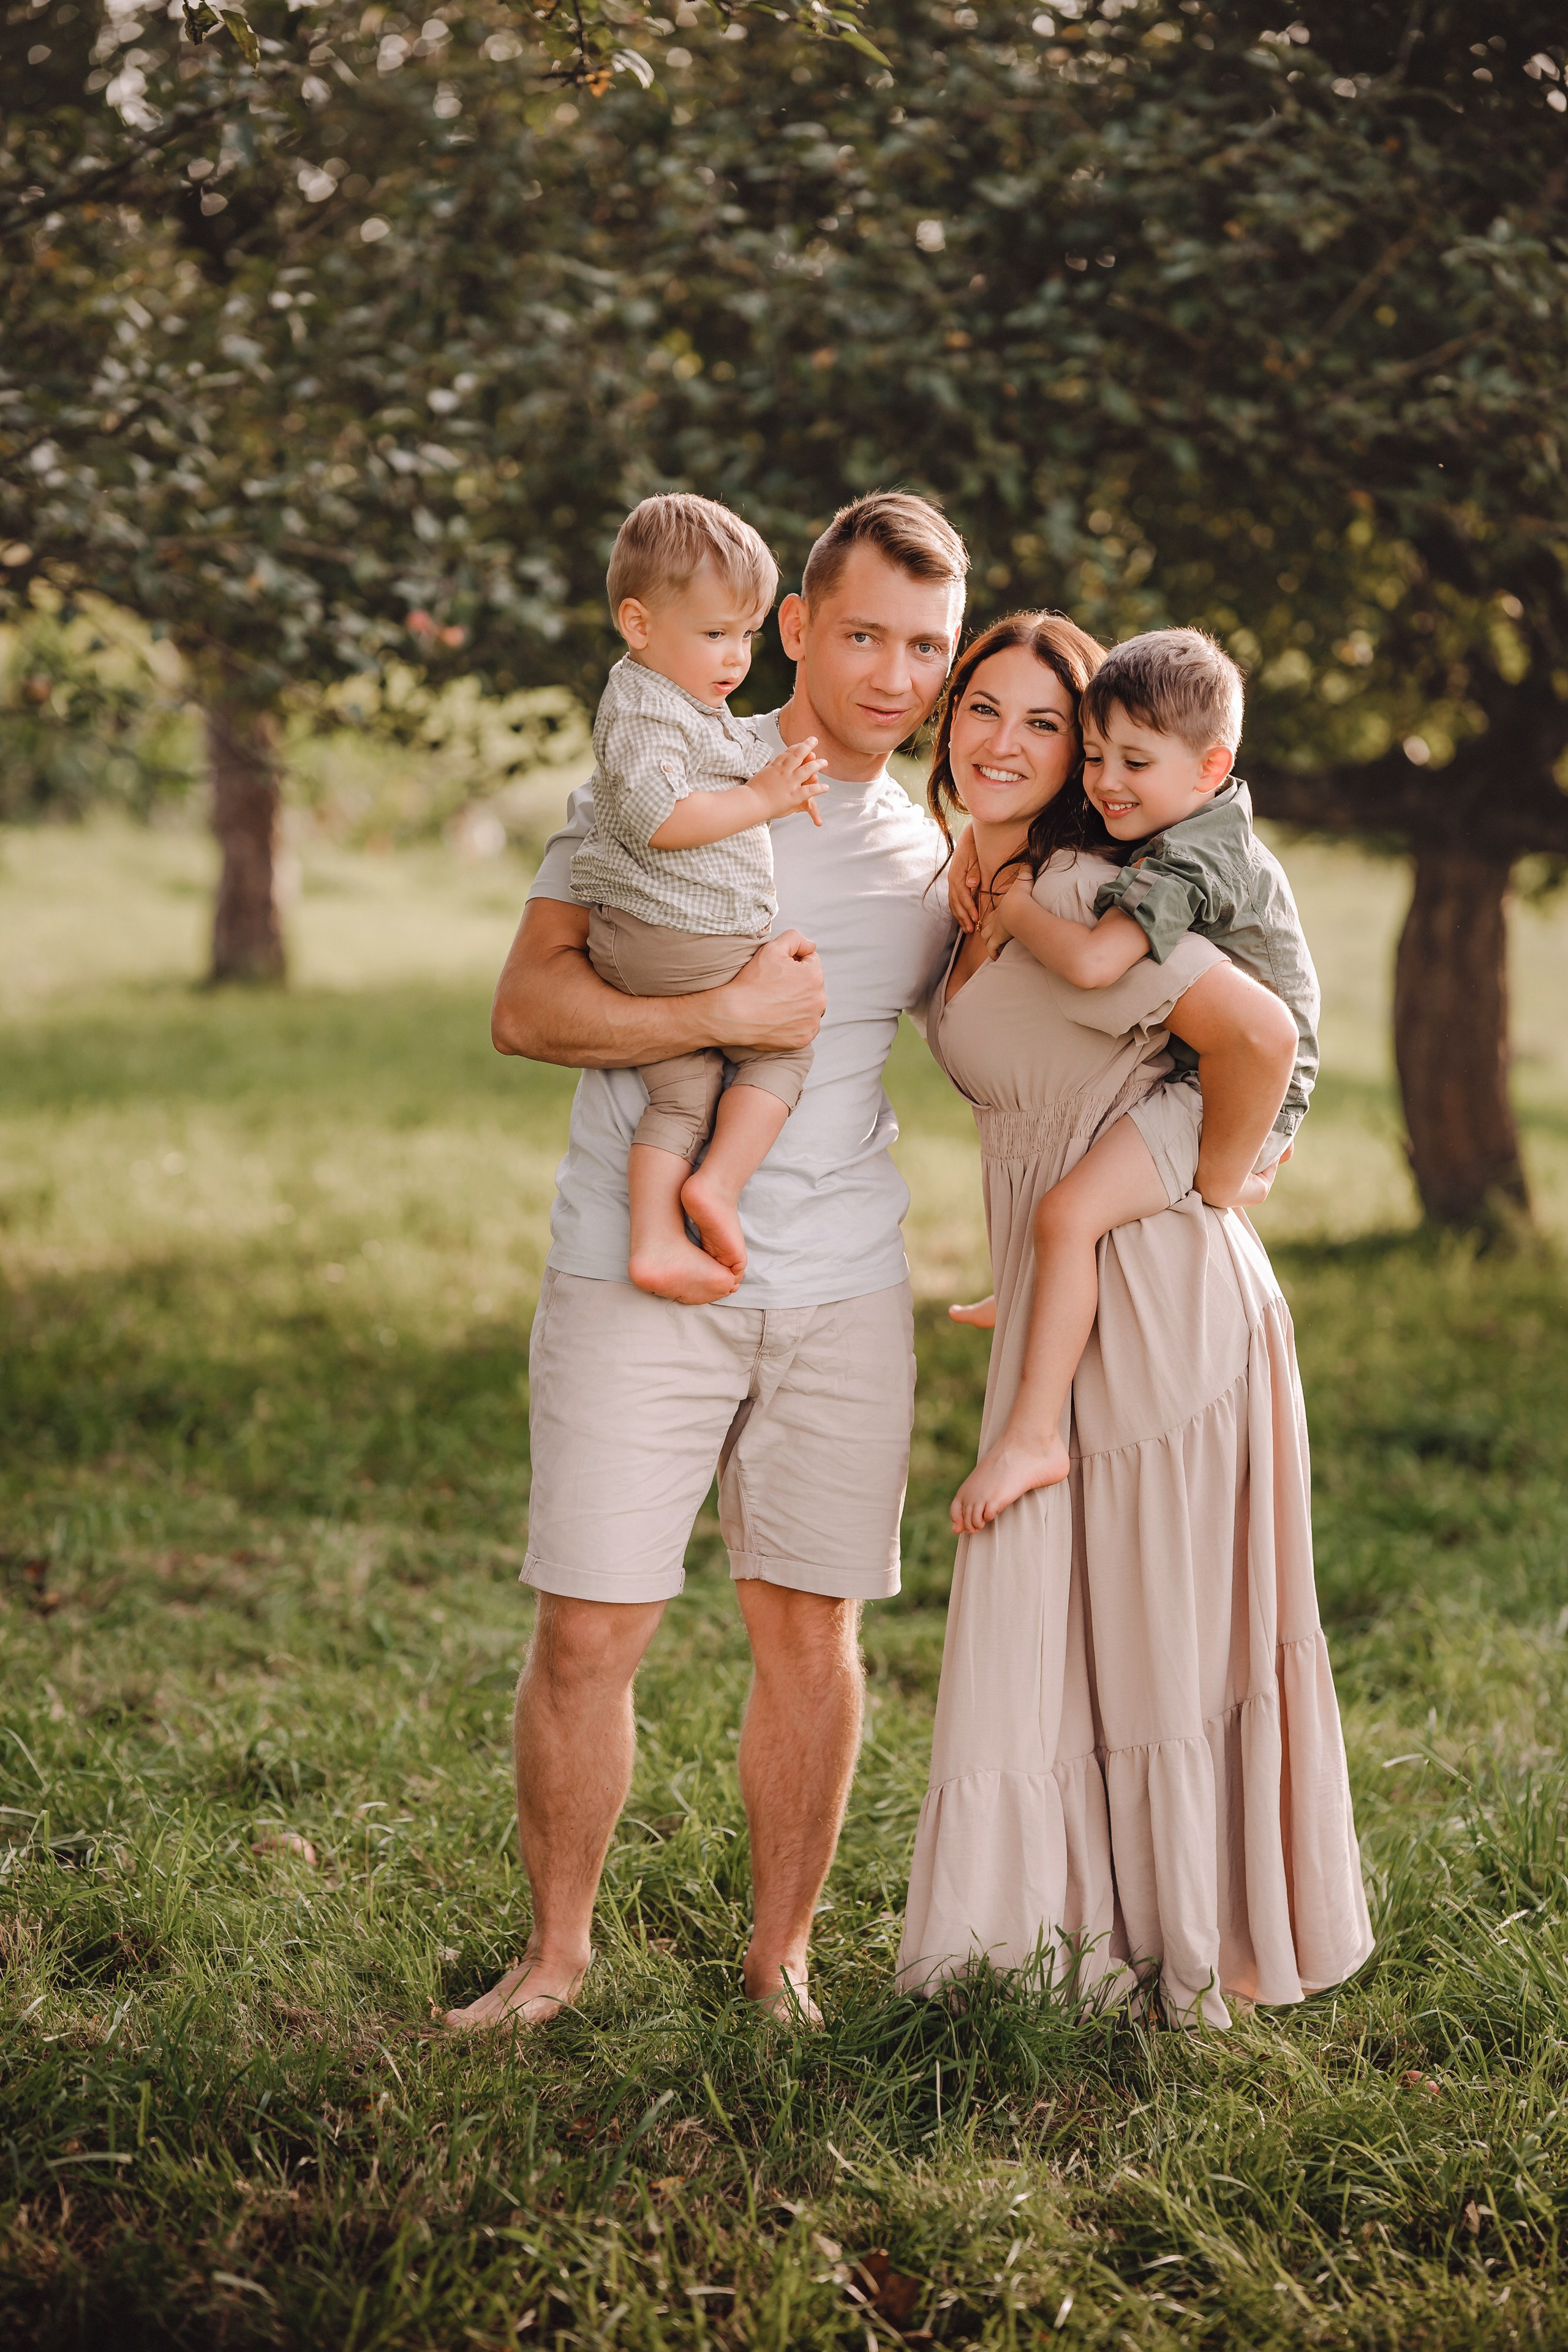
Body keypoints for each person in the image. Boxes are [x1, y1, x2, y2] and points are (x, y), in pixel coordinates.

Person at [445, 492, 965, 2034]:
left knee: (810, 1627)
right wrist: (720, 1019)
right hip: (632, 1265)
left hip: (842, 1287)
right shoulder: (656, 777)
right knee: (588, 1626)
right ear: (793, 627)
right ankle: (552, 1960)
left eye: (925, 646)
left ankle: (779, 1959)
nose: (892, 672)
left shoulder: (935, 854)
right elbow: (527, 1010)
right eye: (861, 632)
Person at [898, 611, 1372, 2026]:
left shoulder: (1102, 888)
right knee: (1095, 1636)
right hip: (1083, 1278)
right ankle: (1075, 1955)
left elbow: (1266, 1037)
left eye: (1046, 730)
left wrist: (1225, 1171)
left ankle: (1202, 1957)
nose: (1015, 746)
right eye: (987, 708)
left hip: (1156, 1289)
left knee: (1167, 1639)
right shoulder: (981, 880)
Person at [943, 627, 1319, 1532]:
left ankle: (1035, 1435)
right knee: (1069, 1215)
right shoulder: (1186, 816)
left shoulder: (1184, 860)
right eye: (1098, 754)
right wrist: (976, 844)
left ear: (1210, 765)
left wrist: (1016, 907)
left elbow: (1093, 965)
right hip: (1207, 1076)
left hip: (1238, 1088)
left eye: (1134, 762)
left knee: (1069, 1215)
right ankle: (1041, 1292)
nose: (1107, 781)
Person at [571, 494, 829, 1305]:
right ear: (639, 625)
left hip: (653, 939)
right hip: (674, 934)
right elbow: (661, 818)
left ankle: (654, 1239)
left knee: (682, 1095)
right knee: (785, 1043)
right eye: (715, 633)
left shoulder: (680, 699)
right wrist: (763, 798)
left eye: (746, 635)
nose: (736, 657)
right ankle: (717, 1184)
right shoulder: (647, 708)